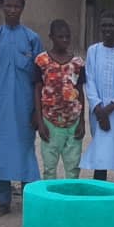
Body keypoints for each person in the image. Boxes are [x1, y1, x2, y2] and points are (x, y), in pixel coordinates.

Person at [0, 0, 43, 217]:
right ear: (1, 8)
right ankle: (3, 201)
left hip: (25, 107)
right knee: (1, 154)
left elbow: (39, 78)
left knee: (26, 151)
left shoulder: (32, 39)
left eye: (16, 6)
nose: (11, 10)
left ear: (22, 9)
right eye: (7, 6)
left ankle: (29, 198)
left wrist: (36, 112)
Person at [81, 11, 114, 184]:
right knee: (101, 154)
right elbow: (89, 81)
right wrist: (98, 109)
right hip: (98, 112)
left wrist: (109, 109)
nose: (107, 29)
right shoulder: (93, 51)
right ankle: (100, 192)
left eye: (111, 25)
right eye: (104, 25)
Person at [34, 19, 85, 180]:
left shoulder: (77, 63)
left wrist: (82, 122)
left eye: (67, 37)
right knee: (49, 167)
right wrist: (40, 122)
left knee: (73, 167)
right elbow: (37, 90)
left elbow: (79, 91)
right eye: (60, 37)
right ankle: (51, 201)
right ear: (51, 37)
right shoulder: (42, 61)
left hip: (73, 121)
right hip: (50, 121)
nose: (64, 40)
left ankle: (70, 201)